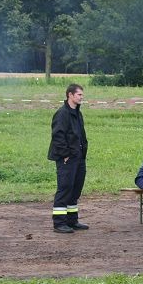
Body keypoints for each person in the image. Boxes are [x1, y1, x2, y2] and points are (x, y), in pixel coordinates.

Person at [48, 83, 89, 234]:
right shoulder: (62, 114)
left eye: (82, 95)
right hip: (67, 159)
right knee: (65, 189)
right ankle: (59, 223)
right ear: (70, 95)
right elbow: (58, 136)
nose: (81, 97)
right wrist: (65, 154)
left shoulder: (77, 113)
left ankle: (72, 221)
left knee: (75, 189)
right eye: (79, 95)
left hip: (79, 158)